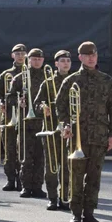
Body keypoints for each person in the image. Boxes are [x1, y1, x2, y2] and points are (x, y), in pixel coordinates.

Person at [55, 41, 112, 222]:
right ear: (80, 57)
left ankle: (89, 213)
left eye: (94, 55)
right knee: (75, 176)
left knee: (94, 177)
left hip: (99, 136)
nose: (91, 58)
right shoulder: (71, 80)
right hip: (77, 137)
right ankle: (75, 213)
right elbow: (60, 107)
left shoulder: (107, 81)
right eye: (87, 55)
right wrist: (65, 126)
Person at [9, 48, 48, 199]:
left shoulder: (47, 77)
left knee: (40, 157)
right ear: (29, 60)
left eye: (39, 59)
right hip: (25, 122)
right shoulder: (20, 77)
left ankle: (37, 187)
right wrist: (18, 102)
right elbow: (10, 97)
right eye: (34, 59)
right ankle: (25, 186)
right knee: (25, 157)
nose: (37, 61)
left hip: (42, 122)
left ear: (43, 60)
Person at [37, 50, 72, 211]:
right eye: (62, 61)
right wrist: (43, 107)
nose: (66, 63)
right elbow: (37, 104)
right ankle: (52, 198)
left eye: (68, 61)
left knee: (67, 166)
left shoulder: (74, 82)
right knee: (51, 166)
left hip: (69, 130)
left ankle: (65, 197)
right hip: (51, 129)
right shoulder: (47, 83)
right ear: (56, 64)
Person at [0, 43, 27, 192]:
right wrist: (0, 103)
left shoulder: (30, 72)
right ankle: (10, 179)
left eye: (22, 53)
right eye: (17, 53)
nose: (20, 55)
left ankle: (22, 180)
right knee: (9, 148)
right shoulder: (6, 74)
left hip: (24, 116)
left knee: (22, 149)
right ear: (12, 55)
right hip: (8, 115)